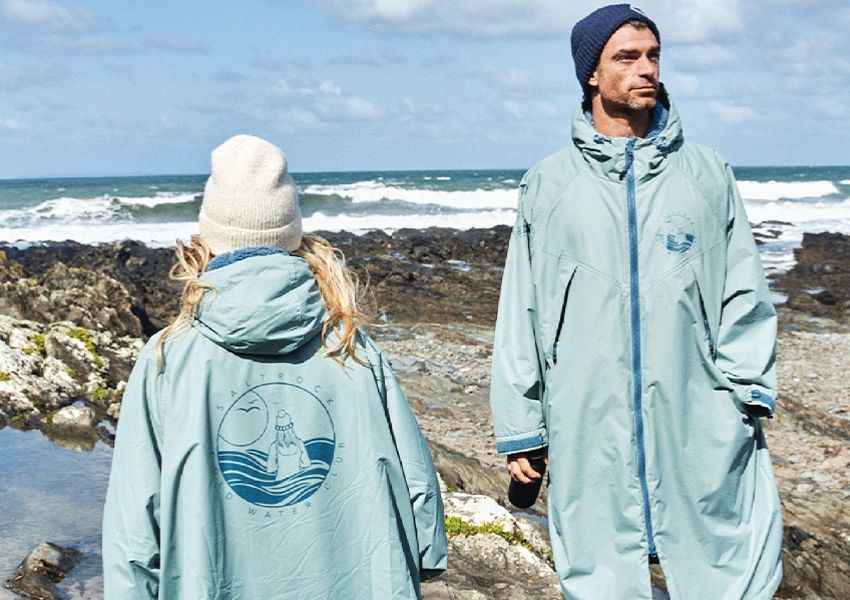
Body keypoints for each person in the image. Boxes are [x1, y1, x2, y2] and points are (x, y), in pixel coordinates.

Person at [489, 5, 783, 599]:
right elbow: (521, 311)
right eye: (627, 57)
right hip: (586, 419)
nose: (646, 69)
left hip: (699, 412)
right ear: (591, 75)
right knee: (600, 577)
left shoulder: (706, 173)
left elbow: (743, 291)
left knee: (735, 569)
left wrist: (745, 393)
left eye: (653, 56)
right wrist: (522, 427)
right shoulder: (548, 184)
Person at [102, 134, 447, 599]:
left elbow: (134, 520)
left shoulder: (168, 358)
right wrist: (423, 556)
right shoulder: (350, 345)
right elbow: (415, 480)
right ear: (292, 233)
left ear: (209, 237)